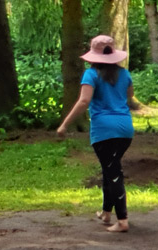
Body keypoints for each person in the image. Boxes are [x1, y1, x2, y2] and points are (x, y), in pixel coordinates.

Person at [57, 34, 146, 233]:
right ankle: (107, 213)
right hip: (125, 129)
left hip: (104, 130)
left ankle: (122, 221)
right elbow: (129, 95)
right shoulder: (124, 74)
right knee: (109, 168)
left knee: (113, 172)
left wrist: (64, 125)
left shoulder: (91, 75)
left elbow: (83, 101)